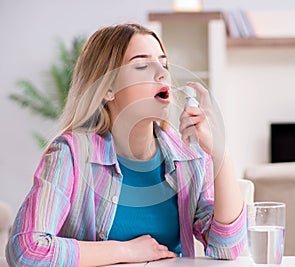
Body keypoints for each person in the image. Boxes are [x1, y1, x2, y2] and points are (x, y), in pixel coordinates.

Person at [6, 23, 246, 267]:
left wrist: (220, 153)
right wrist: (126, 251)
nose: (162, 74)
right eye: (142, 65)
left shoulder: (189, 156)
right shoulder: (71, 154)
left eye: (163, 64)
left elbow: (227, 248)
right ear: (109, 89)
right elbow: (27, 250)